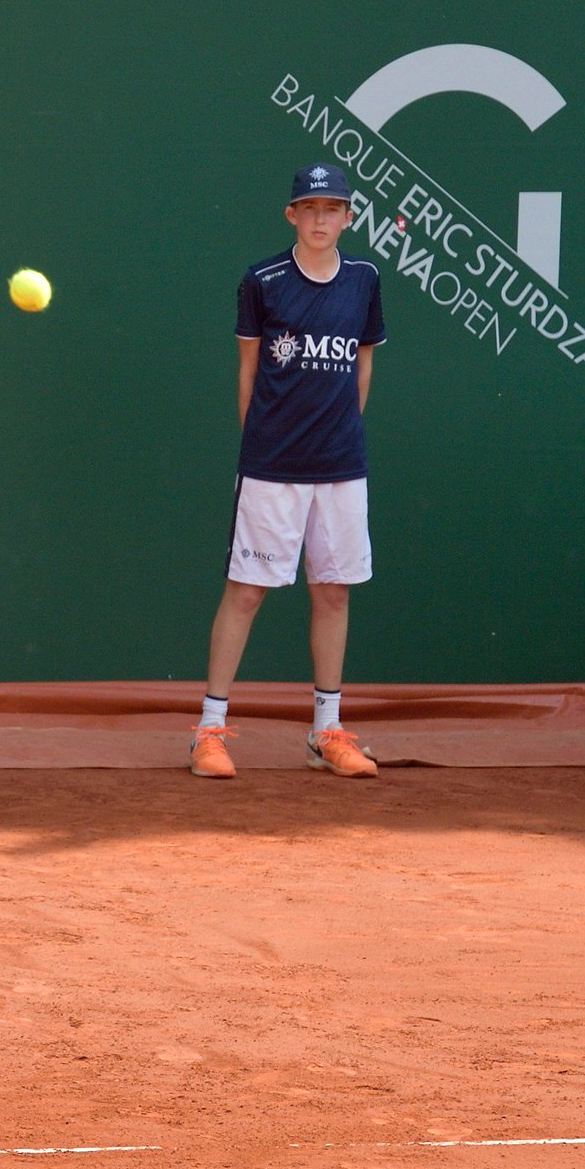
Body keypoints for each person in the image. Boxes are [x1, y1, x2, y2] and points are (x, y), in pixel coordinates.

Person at [190, 163, 385, 780]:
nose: (321, 219)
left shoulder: (364, 279)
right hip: (272, 467)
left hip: (341, 467)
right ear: (291, 215)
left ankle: (325, 732)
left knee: (333, 592)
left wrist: (336, 436)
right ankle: (208, 732)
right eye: (310, 208)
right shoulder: (263, 280)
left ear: (348, 217)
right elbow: (248, 371)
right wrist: (265, 447)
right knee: (246, 592)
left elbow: (362, 367)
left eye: (332, 209)